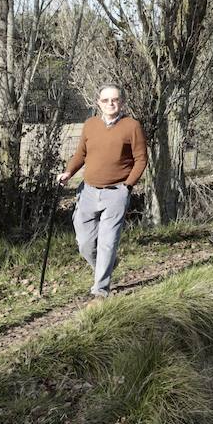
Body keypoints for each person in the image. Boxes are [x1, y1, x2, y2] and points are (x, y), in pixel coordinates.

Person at [56, 84, 148, 299]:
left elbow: (141, 159)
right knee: (85, 244)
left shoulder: (132, 126)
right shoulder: (90, 125)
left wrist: (128, 186)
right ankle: (107, 264)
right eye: (105, 100)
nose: (110, 104)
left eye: (114, 99)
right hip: (87, 192)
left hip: (116, 192)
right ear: (98, 102)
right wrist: (68, 172)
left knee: (108, 242)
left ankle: (101, 290)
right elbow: (81, 154)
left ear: (122, 102)